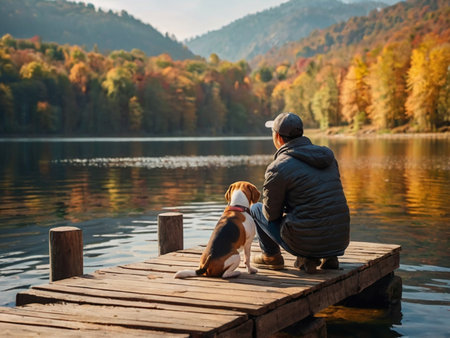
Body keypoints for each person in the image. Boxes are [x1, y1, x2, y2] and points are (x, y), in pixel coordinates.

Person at [251, 112, 350, 273]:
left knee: (256, 208)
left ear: (278, 137)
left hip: (307, 242)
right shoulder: (327, 157)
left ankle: (271, 257)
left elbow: (270, 216)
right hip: (340, 239)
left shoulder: (278, 167)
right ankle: (329, 257)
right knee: (320, 204)